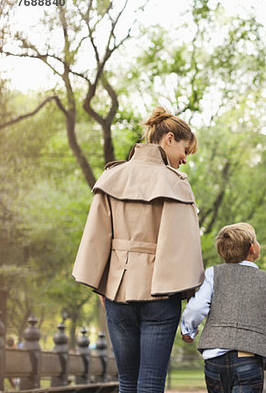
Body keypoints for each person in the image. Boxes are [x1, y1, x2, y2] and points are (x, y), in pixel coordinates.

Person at [72, 106, 205, 393]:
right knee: (151, 383)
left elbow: (96, 238)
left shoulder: (111, 177)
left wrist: (101, 287)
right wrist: (189, 293)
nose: (185, 159)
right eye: (185, 150)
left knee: (127, 383)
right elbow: (184, 248)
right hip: (161, 294)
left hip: (118, 292)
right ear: (168, 139)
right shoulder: (176, 184)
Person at [181, 222, 266, 393]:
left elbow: (196, 308)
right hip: (248, 358)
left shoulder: (213, 274)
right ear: (252, 248)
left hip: (214, 360)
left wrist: (188, 330)